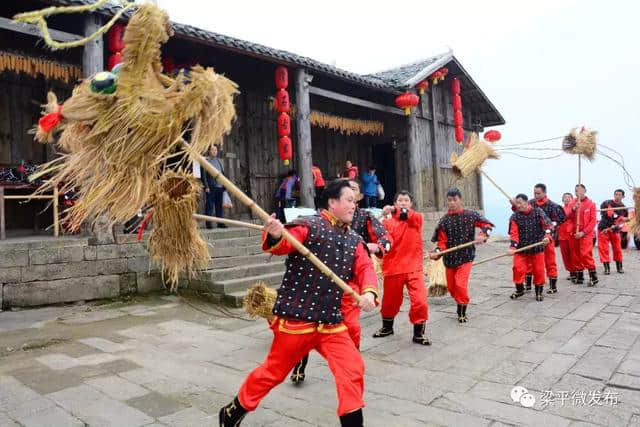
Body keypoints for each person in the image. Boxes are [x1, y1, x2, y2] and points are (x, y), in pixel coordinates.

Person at [218, 179, 377, 427]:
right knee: (273, 373)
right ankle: (233, 411)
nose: (353, 205)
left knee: (352, 368)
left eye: (355, 202)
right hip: (297, 319)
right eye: (349, 200)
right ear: (332, 202)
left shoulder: (354, 240)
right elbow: (282, 243)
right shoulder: (309, 225)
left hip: (331, 323)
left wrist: (369, 293)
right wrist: (274, 234)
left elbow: (366, 267)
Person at [289, 179, 391, 384]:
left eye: (355, 194)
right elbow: (289, 239)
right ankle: (299, 366)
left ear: (359, 197)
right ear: (334, 201)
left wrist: (377, 246)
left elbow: (386, 240)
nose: (352, 200)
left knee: (351, 328)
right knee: (306, 329)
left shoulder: (366, 217)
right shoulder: (317, 222)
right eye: (348, 195)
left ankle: (350, 365)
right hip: (318, 284)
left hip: (349, 284)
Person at [373, 191, 431, 345]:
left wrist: (393, 210)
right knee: (390, 302)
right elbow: (378, 237)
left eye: (406, 200)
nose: (404, 203)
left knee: (420, 301)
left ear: (411, 204)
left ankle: (419, 334)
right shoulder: (386, 224)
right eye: (400, 200)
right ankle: (387, 328)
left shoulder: (417, 219)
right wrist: (381, 215)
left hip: (414, 268)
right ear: (395, 203)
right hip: (393, 268)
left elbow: (406, 215)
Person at [430, 188, 494, 323]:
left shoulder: (471, 215)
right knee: (452, 287)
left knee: (460, 284)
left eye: (455, 200)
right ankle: (460, 300)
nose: (452, 203)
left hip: (466, 256)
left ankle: (462, 309)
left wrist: (483, 235)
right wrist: (437, 253)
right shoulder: (444, 221)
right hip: (449, 259)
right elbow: (442, 242)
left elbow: (486, 224)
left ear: (461, 200)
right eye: (449, 200)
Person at [508, 194, 552, 301]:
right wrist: (513, 247)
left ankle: (539, 292)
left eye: (520, 203)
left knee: (539, 270)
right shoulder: (514, 217)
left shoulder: (538, 212)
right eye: (516, 203)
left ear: (526, 202)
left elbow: (548, 226)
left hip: (537, 247)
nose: (518, 205)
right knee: (517, 268)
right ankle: (519, 290)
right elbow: (514, 234)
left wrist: (547, 236)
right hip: (521, 248)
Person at [529, 183, 566, 294]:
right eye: (534, 193)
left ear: (545, 193)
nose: (536, 195)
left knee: (550, 261)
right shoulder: (530, 204)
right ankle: (528, 284)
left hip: (547, 237)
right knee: (531, 261)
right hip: (533, 238)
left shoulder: (553, 206)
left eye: (538, 193)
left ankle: (553, 286)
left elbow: (560, 219)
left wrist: (550, 230)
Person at [566, 184, 598, 286]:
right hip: (573, 233)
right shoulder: (572, 203)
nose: (578, 193)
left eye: (580, 191)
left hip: (586, 234)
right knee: (575, 254)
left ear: (585, 191)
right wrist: (573, 209)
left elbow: (593, 221)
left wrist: (583, 232)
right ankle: (580, 276)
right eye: (576, 191)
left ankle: (594, 277)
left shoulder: (591, 204)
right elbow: (567, 216)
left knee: (585, 254)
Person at [598, 189, 628, 274]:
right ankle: (607, 268)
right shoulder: (607, 203)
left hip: (615, 230)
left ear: (623, 197)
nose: (617, 196)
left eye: (619, 195)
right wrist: (618, 217)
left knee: (617, 248)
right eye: (616, 194)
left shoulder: (624, 208)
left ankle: (619, 267)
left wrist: (624, 220)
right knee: (604, 249)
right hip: (603, 229)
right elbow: (605, 214)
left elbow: (624, 220)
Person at [201, 144, 226, 228]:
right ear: (209, 151)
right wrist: (206, 186)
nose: (214, 151)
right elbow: (203, 175)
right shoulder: (206, 161)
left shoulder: (219, 161)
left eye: (215, 150)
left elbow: (222, 174)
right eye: (212, 150)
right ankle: (209, 223)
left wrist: (224, 185)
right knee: (209, 206)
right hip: (211, 187)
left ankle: (220, 223)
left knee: (219, 206)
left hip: (220, 187)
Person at [557, 193, 576, 281]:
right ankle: (571, 272)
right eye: (565, 197)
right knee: (565, 255)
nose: (567, 199)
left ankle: (577, 271)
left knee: (574, 254)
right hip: (562, 235)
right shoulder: (559, 209)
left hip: (572, 234)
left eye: (569, 197)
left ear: (573, 199)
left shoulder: (574, 208)